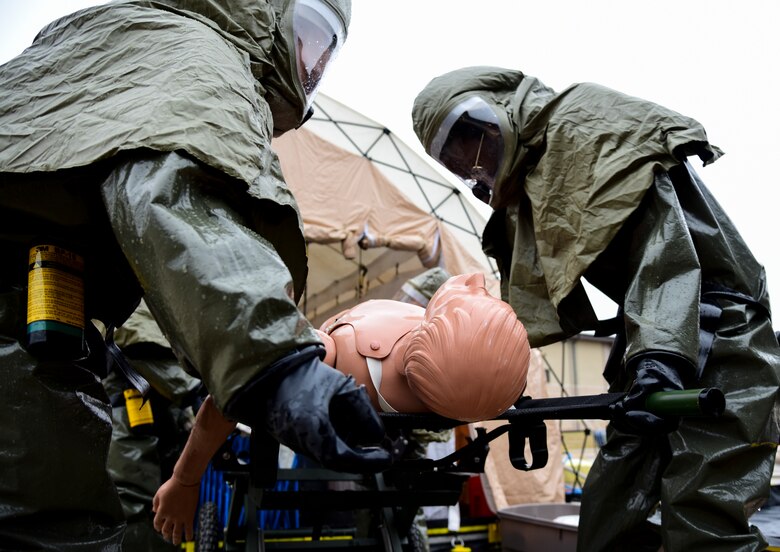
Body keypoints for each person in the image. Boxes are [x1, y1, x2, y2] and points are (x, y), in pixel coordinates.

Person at [0, 1, 393, 549]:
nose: (314, 64)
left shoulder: (111, 39)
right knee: (50, 526)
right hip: (30, 328)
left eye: (327, 48)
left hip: (44, 314)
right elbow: (170, 196)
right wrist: (276, 364)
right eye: (309, 36)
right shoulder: (194, 56)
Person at [411, 66, 780, 551]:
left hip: (721, 331)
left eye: (475, 153)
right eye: (462, 168)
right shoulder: (532, 180)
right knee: (609, 514)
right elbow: (526, 304)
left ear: (490, 119)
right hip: (649, 341)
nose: (477, 170)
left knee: (703, 519)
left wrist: (660, 360)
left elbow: (663, 251)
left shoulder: (579, 124)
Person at [151, 272, 531, 544]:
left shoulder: (470, 372)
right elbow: (234, 393)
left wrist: (185, 479)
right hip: (336, 381)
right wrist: (185, 479)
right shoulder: (340, 352)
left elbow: (237, 392)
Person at [106, 300, 203, 551]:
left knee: (164, 509)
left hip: (161, 412)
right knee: (134, 499)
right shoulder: (138, 311)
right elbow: (138, 343)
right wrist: (199, 393)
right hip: (133, 405)